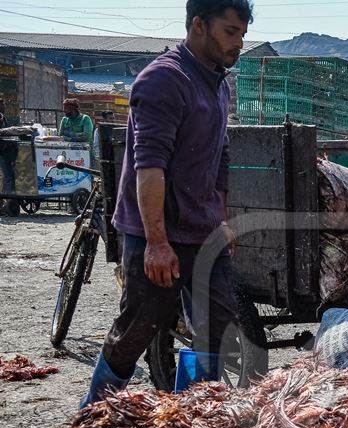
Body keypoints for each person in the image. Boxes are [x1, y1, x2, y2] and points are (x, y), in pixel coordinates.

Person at [82, 0, 253, 406]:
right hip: (154, 230)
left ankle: (193, 417)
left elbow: (220, 157)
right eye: (230, 32)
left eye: (242, 35)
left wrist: (223, 220)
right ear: (198, 25)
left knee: (219, 324)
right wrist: (157, 243)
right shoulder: (163, 80)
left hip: (203, 231)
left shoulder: (217, 83)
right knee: (140, 326)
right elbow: (149, 167)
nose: (239, 44)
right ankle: (90, 415)